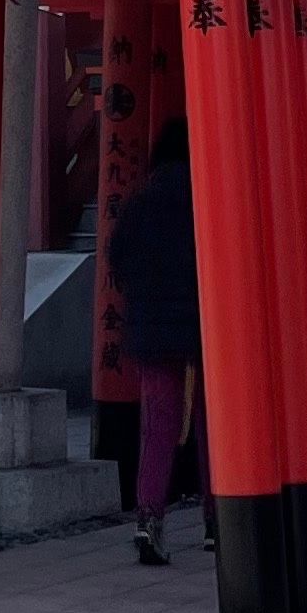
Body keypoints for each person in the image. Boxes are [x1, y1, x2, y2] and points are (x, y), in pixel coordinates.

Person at [108, 117, 202, 565]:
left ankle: (149, 517)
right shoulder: (204, 198)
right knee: (213, 426)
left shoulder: (140, 203)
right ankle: (219, 520)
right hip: (203, 326)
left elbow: (117, 256)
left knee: (157, 426)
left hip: (151, 328)